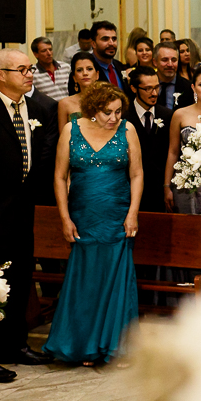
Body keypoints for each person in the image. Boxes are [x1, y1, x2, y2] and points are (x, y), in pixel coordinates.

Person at [44, 81, 141, 366]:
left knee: (116, 279)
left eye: (118, 112)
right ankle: (83, 344)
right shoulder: (70, 130)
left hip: (117, 215)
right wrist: (65, 218)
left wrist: (133, 213)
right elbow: (59, 176)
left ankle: (113, 345)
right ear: (92, 110)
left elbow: (137, 174)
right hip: (83, 216)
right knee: (85, 279)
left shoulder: (127, 130)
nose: (114, 118)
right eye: (107, 112)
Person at [0, 49, 59, 381]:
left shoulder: (39, 109)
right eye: (23, 69)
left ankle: (14, 344)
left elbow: (40, 159)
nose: (30, 74)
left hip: (24, 212)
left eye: (30, 69)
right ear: (1, 75)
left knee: (20, 278)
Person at [165, 65, 201, 215]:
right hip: (186, 184)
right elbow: (173, 152)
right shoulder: (180, 115)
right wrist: (166, 186)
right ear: (193, 87)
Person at [125, 65, 173, 212]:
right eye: (148, 89)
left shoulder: (167, 115)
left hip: (159, 192)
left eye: (157, 87)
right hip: (129, 191)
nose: (154, 93)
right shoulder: (123, 117)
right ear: (134, 89)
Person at [58, 53, 100, 129]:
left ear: (97, 75)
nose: (85, 73)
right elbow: (63, 134)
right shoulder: (64, 104)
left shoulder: (108, 100)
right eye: (79, 70)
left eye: (89, 69)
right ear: (74, 77)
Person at [152, 42, 192, 110]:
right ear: (155, 62)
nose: (170, 64)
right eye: (165, 60)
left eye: (174, 60)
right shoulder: (147, 86)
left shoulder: (188, 87)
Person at [30, 37, 71, 101]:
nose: (49, 53)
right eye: (44, 51)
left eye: (50, 49)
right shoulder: (32, 73)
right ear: (36, 54)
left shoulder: (66, 67)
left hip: (68, 106)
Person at [90, 20, 128, 89]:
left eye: (114, 39)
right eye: (105, 39)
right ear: (93, 44)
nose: (111, 43)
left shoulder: (120, 66)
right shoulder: (87, 69)